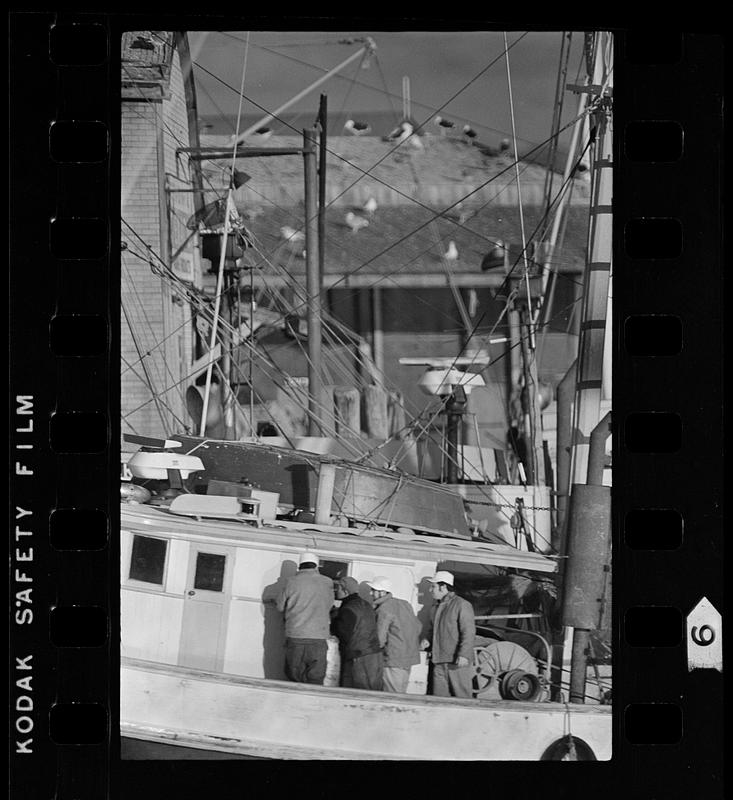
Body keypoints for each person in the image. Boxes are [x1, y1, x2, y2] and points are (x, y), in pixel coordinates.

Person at [276, 551, 334, 685]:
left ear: (300, 566)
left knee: (294, 679)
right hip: (319, 638)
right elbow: (329, 605)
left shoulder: (290, 582)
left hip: (296, 637)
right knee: (316, 680)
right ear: (316, 566)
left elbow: (280, 607)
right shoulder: (327, 582)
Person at [423, 570, 475, 698]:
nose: (430, 590)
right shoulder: (435, 608)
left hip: (456, 663)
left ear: (443, 586)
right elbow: (433, 631)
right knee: (439, 700)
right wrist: (427, 640)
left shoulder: (462, 605)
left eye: (433, 586)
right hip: (438, 661)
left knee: (462, 698)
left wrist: (464, 655)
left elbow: (468, 632)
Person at [367, 576, 422, 693]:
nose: (370, 593)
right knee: (401, 693)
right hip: (408, 659)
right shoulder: (405, 604)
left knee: (392, 696)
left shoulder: (383, 609)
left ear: (382, 592)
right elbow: (418, 627)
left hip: (393, 659)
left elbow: (379, 639)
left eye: (373, 590)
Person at [331, 576, 383, 690]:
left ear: (345, 591)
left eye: (338, 588)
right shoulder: (365, 604)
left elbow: (344, 633)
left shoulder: (349, 608)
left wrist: (333, 621)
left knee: (358, 692)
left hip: (360, 657)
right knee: (373, 691)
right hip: (375, 654)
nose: (336, 591)